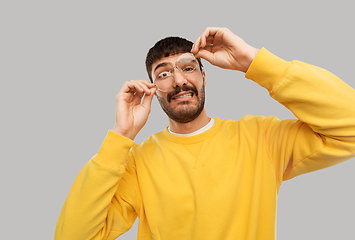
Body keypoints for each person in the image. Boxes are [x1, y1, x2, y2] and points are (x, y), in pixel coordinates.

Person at [55, 27, 355, 240]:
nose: (178, 80)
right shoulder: (137, 161)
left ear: (204, 77)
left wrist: (254, 62)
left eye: (188, 68)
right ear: (153, 91)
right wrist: (122, 135)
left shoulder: (260, 137)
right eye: (163, 73)